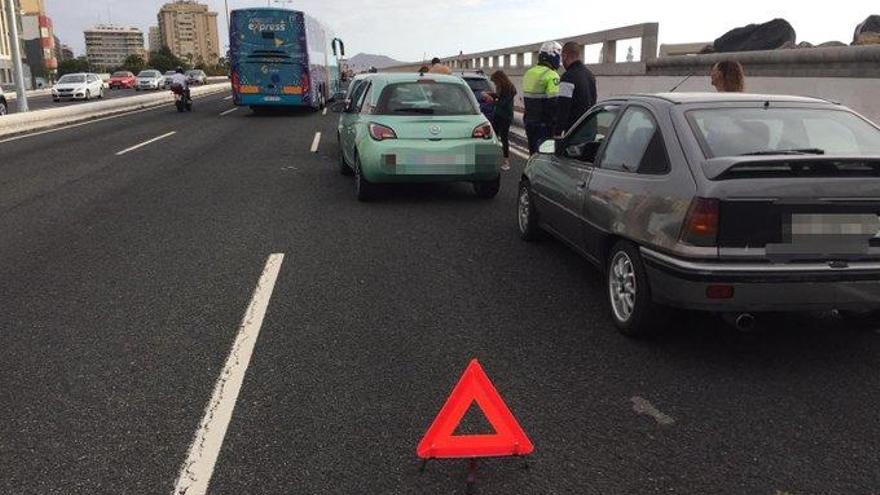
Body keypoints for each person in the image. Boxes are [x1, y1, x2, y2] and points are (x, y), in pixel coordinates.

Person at [522, 41, 562, 154]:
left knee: (532, 153)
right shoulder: (552, 75)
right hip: (544, 125)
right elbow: (555, 104)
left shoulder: (529, 73)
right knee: (544, 156)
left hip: (529, 121)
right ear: (552, 56)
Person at [554, 41, 597, 137]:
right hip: (591, 132)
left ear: (565, 56)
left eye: (562, 57)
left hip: (574, 134)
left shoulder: (568, 77)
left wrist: (557, 133)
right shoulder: (590, 75)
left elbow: (563, 107)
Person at [487, 70, 517, 171]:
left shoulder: (510, 89)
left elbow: (502, 103)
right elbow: (498, 96)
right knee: (494, 136)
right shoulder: (500, 87)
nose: (495, 84)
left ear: (500, 79)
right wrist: (490, 94)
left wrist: (492, 101)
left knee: (504, 138)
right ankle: (492, 158)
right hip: (498, 115)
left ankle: (506, 161)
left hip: (505, 117)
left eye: (495, 82)